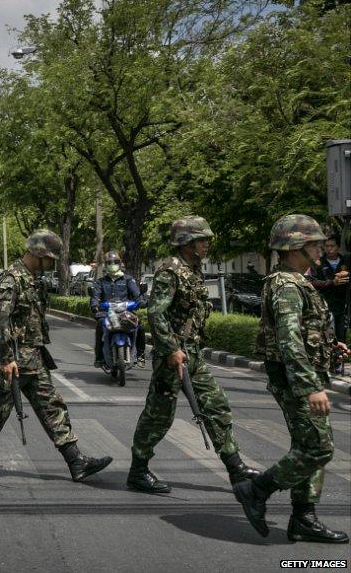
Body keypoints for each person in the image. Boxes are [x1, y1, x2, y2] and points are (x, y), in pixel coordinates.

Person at [233, 215, 349, 544]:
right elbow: (288, 341)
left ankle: (303, 518)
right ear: (296, 246)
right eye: (314, 243)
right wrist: (310, 386)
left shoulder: (296, 280)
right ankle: (256, 490)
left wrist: (330, 346)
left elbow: (302, 331)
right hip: (296, 380)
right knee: (318, 447)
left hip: (303, 375)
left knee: (308, 446)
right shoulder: (286, 284)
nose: (320, 248)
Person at [0, 229, 113, 484]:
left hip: (34, 358)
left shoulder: (34, 279)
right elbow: (0, 321)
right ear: (37, 253)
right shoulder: (13, 278)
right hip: (14, 361)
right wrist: (6, 358)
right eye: (50, 258)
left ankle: (76, 461)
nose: (52, 264)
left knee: (52, 407)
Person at [127, 216, 259, 493]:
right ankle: (138, 470)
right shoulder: (170, 272)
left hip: (193, 355)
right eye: (202, 240)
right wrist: (171, 349)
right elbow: (156, 313)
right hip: (171, 357)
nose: (206, 244)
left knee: (216, 405)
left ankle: (235, 467)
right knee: (159, 415)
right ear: (186, 243)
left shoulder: (194, 270)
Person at [89, 251, 146, 368]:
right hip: (106, 313)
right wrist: (95, 306)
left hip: (126, 312)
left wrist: (142, 301)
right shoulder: (101, 282)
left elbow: (136, 294)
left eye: (115, 262)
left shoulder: (128, 280)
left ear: (120, 264)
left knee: (139, 325)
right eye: (109, 262)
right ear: (105, 264)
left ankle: (140, 355)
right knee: (100, 325)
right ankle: (99, 357)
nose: (112, 264)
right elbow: (95, 297)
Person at [310, 236, 349, 372]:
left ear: (338, 247)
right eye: (327, 246)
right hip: (325, 306)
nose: (329, 249)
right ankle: (328, 363)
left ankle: (339, 364)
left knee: (341, 334)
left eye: (332, 246)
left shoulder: (345, 261)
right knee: (328, 335)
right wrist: (332, 283)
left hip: (342, 306)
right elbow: (313, 282)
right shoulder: (318, 263)